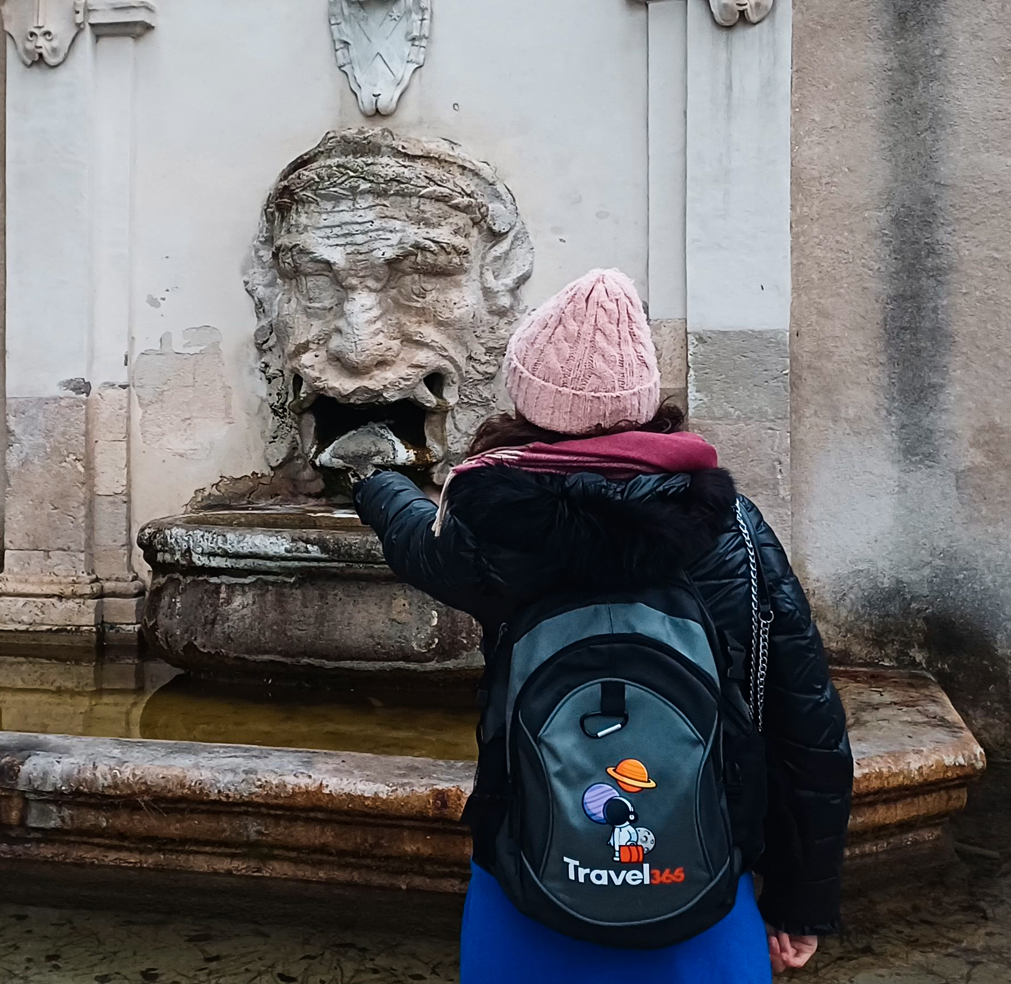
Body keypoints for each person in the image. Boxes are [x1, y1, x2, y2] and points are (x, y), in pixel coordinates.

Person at [345, 268, 853, 981]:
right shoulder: (728, 527)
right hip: (700, 884)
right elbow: (805, 722)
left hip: (528, 878)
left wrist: (378, 483)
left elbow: (412, 539)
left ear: (527, 398)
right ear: (644, 401)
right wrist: (802, 901)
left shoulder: (489, 527)